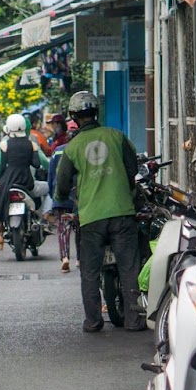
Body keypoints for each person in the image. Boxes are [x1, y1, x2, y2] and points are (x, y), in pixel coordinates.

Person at [55, 90, 144, 332]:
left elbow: (62, 184)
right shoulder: (117, 136)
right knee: (129, 269)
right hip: (122, 213)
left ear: (73, 116)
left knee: (90, 272)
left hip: (91, 218)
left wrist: (62, 199)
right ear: (96, 113)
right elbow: (132, 167)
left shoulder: (72, 147)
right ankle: (134, 320)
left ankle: (93, 321)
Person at [0, 113, 49, 244]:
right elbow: (36, 164)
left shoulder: (4, 145)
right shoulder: (31, 144)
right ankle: (46, 216)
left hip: (8, 183)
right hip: (27, 183)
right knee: (50, 187)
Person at [43, 113, 76, 272]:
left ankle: (65, 257)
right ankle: (81, 259)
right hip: (79, 197)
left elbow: (50, 177)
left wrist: (53, 194)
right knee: (81, 228)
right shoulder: (81, 151)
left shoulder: (57, 151)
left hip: (60, 197)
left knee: (63, 229)